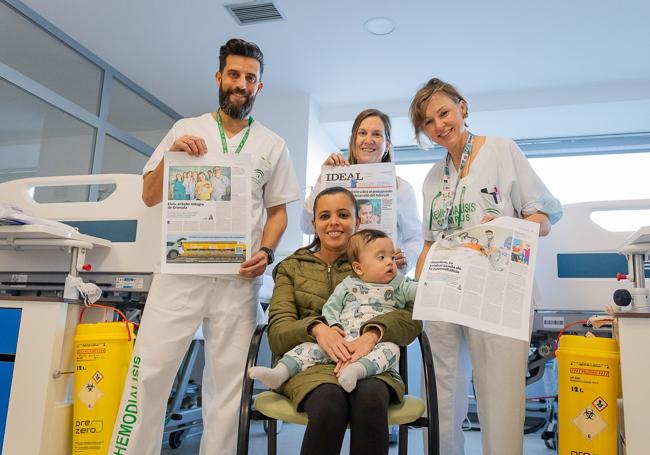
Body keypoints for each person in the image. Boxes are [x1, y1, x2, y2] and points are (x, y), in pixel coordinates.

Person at [108, 38, 300, 455]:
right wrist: (171, 158)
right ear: (219, 77)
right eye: (234, 74)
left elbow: (279, 212)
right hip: (180, 275)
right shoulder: (185, 129)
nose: (242, 84)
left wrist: (266, 253)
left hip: (238, 282)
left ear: (259, 87)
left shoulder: (273, 144)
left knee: (228, 390)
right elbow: (148, 194)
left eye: (251, 78)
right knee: (150, 375)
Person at [410, 77, 563, 455]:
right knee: (442, 392)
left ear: (462, 107)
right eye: (428, 123)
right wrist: (417, 290)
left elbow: (545, 217)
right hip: (446, 294)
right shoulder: (432, 178)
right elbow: (430, 241)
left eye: (443, 113)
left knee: (499, 393)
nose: (439, 126)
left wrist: (505, 228)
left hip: (497, 289)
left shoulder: (500, 150)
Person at [268, 187, 421, 455]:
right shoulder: (291, 268)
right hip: (309, 367)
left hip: (372, 364)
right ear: (313, 223)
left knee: (371, 398)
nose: (334, 222)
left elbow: (412, 318)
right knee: (329, 401)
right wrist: (317, 329)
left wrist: (373, 334)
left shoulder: (378, 264)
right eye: (325, 216)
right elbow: (278, 332)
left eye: (343, 214)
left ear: (357, 221)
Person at [249, 228, 417, 393]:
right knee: (307, 348)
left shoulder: (400, 284)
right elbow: (331, 307)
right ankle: (279, 373)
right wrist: (334, 326)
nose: (390, 262)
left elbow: (420, 295)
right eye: (382, 257)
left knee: (391, 349)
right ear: (359, 268)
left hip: (375, 345)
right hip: (340, 341)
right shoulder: (348, 284)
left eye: (393, 257)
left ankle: (355, 371)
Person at [301, 109, 422, 272]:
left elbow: (415, 237)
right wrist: (322, 180)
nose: (368, 140)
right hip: (337, 274)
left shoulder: (401, 188)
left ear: (387, 145)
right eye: (362, 133)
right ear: (353, 141)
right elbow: (307, 226)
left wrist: (406, 259)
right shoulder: (334, 180)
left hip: (380, 278)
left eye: (377, 134)